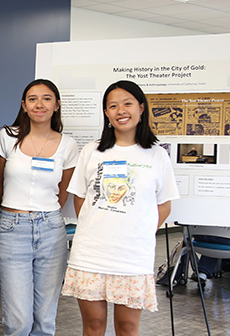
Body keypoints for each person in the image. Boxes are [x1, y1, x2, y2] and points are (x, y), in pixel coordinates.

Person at [62, 80, 180, 336]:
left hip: (132, 256)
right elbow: (81, 198)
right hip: (91, 254)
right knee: (93, 326)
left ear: (141, 107)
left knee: (127, 327)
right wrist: (101, 225)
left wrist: (137, 229)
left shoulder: (157, 155)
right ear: (106, 113)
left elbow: (164, 205)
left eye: (127, 103)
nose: (120, 111)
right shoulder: (92, 151)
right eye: (113, 106)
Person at [0, 79, 78, 336]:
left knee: (45, 316)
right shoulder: (7, 136)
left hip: (51, 228)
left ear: (57, 105)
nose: (39, 104)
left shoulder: (68, 145)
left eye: (46, 98)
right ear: (24, 105)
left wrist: (42, 215)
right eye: (32, 98)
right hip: (11, 227)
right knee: (18, 318)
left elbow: (63, 192)